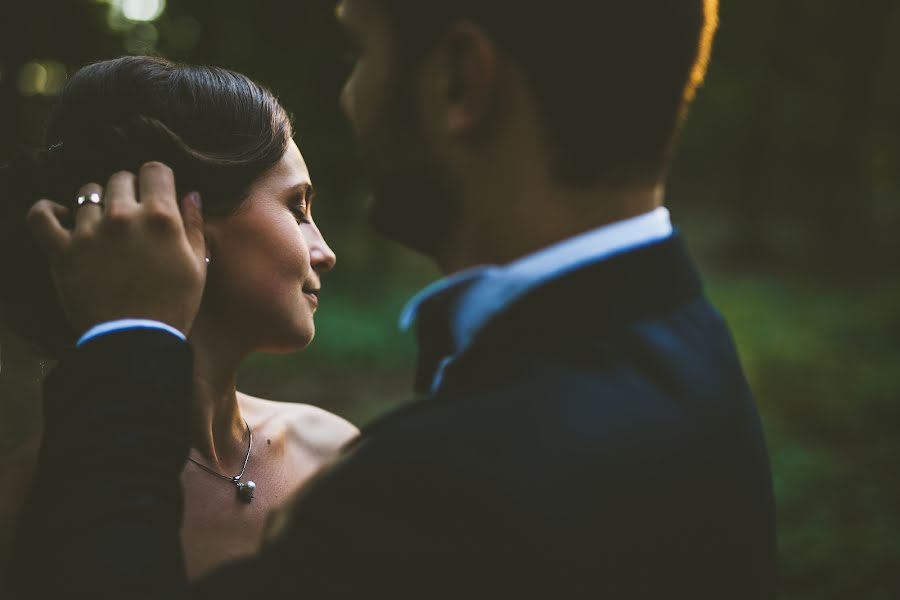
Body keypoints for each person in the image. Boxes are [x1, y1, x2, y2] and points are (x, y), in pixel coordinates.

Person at [14, 0, 776, 598]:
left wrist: (128, 341)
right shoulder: (697, 355)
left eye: (362, 50)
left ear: (457, 81)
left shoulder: (419, 496)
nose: (348, 96)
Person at [0, 56, 357, 581]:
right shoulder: (29, 503)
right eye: (297, 208)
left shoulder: (333, 453)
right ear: (176, 220)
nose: (323, 251)